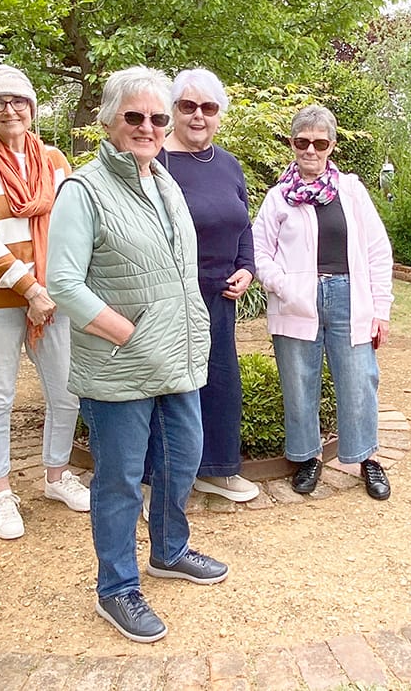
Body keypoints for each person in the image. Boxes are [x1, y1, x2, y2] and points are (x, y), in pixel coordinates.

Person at [46, 65, 228, 644]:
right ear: (108, 121)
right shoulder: (83, 190)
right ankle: (117, 587)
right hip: (119, 363)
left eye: (156, 117)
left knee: (183, 458)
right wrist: (129, 333)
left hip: (175, 356)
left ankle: (169, 551)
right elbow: (65, 284)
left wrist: (189, 329)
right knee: (122, 479)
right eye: (135, 117)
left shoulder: (164, 182)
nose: (148, 126)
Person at [0, 64, 90, 542]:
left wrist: (54, 289)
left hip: (52, 297)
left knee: (65, 390)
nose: (9, 110)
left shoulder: (54, 160)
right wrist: (29, 288)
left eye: (18, 101)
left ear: (32, 108)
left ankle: (56, 477)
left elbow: (74, 224)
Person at [252, 104, 395, 501]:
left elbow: (378, 250)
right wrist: (284, 287)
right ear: (292, 144)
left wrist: (380, 309)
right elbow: (258, 251)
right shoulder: (279, 197)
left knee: (360, 378)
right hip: (297, 302)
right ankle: (307, 457)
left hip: (350, 296)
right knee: (298, 381)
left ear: (331, 145)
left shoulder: (351, 190)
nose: (310, 150)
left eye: (319, 142)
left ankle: (365, 458)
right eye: (302, 142)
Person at [159, 68, 258, 503]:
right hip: (170, 297)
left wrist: (247, 267)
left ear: (219, 115)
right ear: (173, 110)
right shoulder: (154, 163)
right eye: (188, 106)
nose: (198, 116)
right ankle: (157, 483)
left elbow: (243, 223)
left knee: (220, 382)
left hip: (220, 295)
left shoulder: (228, 163)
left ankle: (217, 469)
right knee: (168, 387)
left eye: (208, 108)